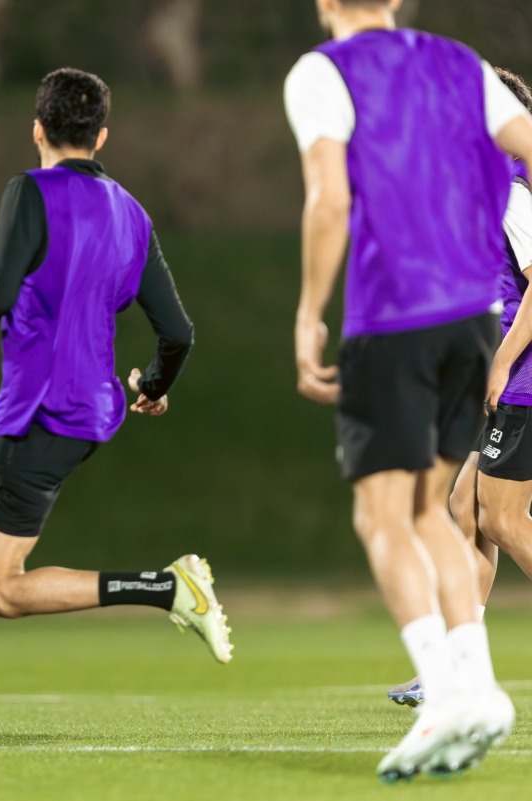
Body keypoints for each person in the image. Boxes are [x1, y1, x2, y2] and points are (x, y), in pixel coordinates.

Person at [0, 67, 232, 757]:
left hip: (43, 413)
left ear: (37, 129)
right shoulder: (131, 211)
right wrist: (152, 384)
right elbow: (178, 331)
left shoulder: (29, 191)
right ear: (101, 135)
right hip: (65, 408)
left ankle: (166, 588)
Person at [284, 0, 532, 781]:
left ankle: (450, 696)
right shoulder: (462, 65)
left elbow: (329, 200)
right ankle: (472, 688)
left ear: (327, 4)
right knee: (442, 511)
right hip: (471, 324)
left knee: (383, 513)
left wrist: (306, 314)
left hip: (396, 317)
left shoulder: (322, 72)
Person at [387, 66, 532, 708]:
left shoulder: (514, 192)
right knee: (465, 514)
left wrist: (500, 363)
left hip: (525, 376)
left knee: (501, 520)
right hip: (508, 372)